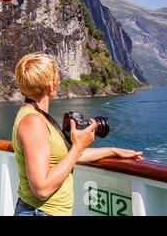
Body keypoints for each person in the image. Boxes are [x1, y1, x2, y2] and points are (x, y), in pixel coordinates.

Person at [12, 53, 143, 216]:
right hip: (40, 212)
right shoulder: (33, 122)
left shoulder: (35, 116)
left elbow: (63, 158)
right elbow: (41, 189)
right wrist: (78, 147)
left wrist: (113, 151)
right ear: (51, 86)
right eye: (56, 78)